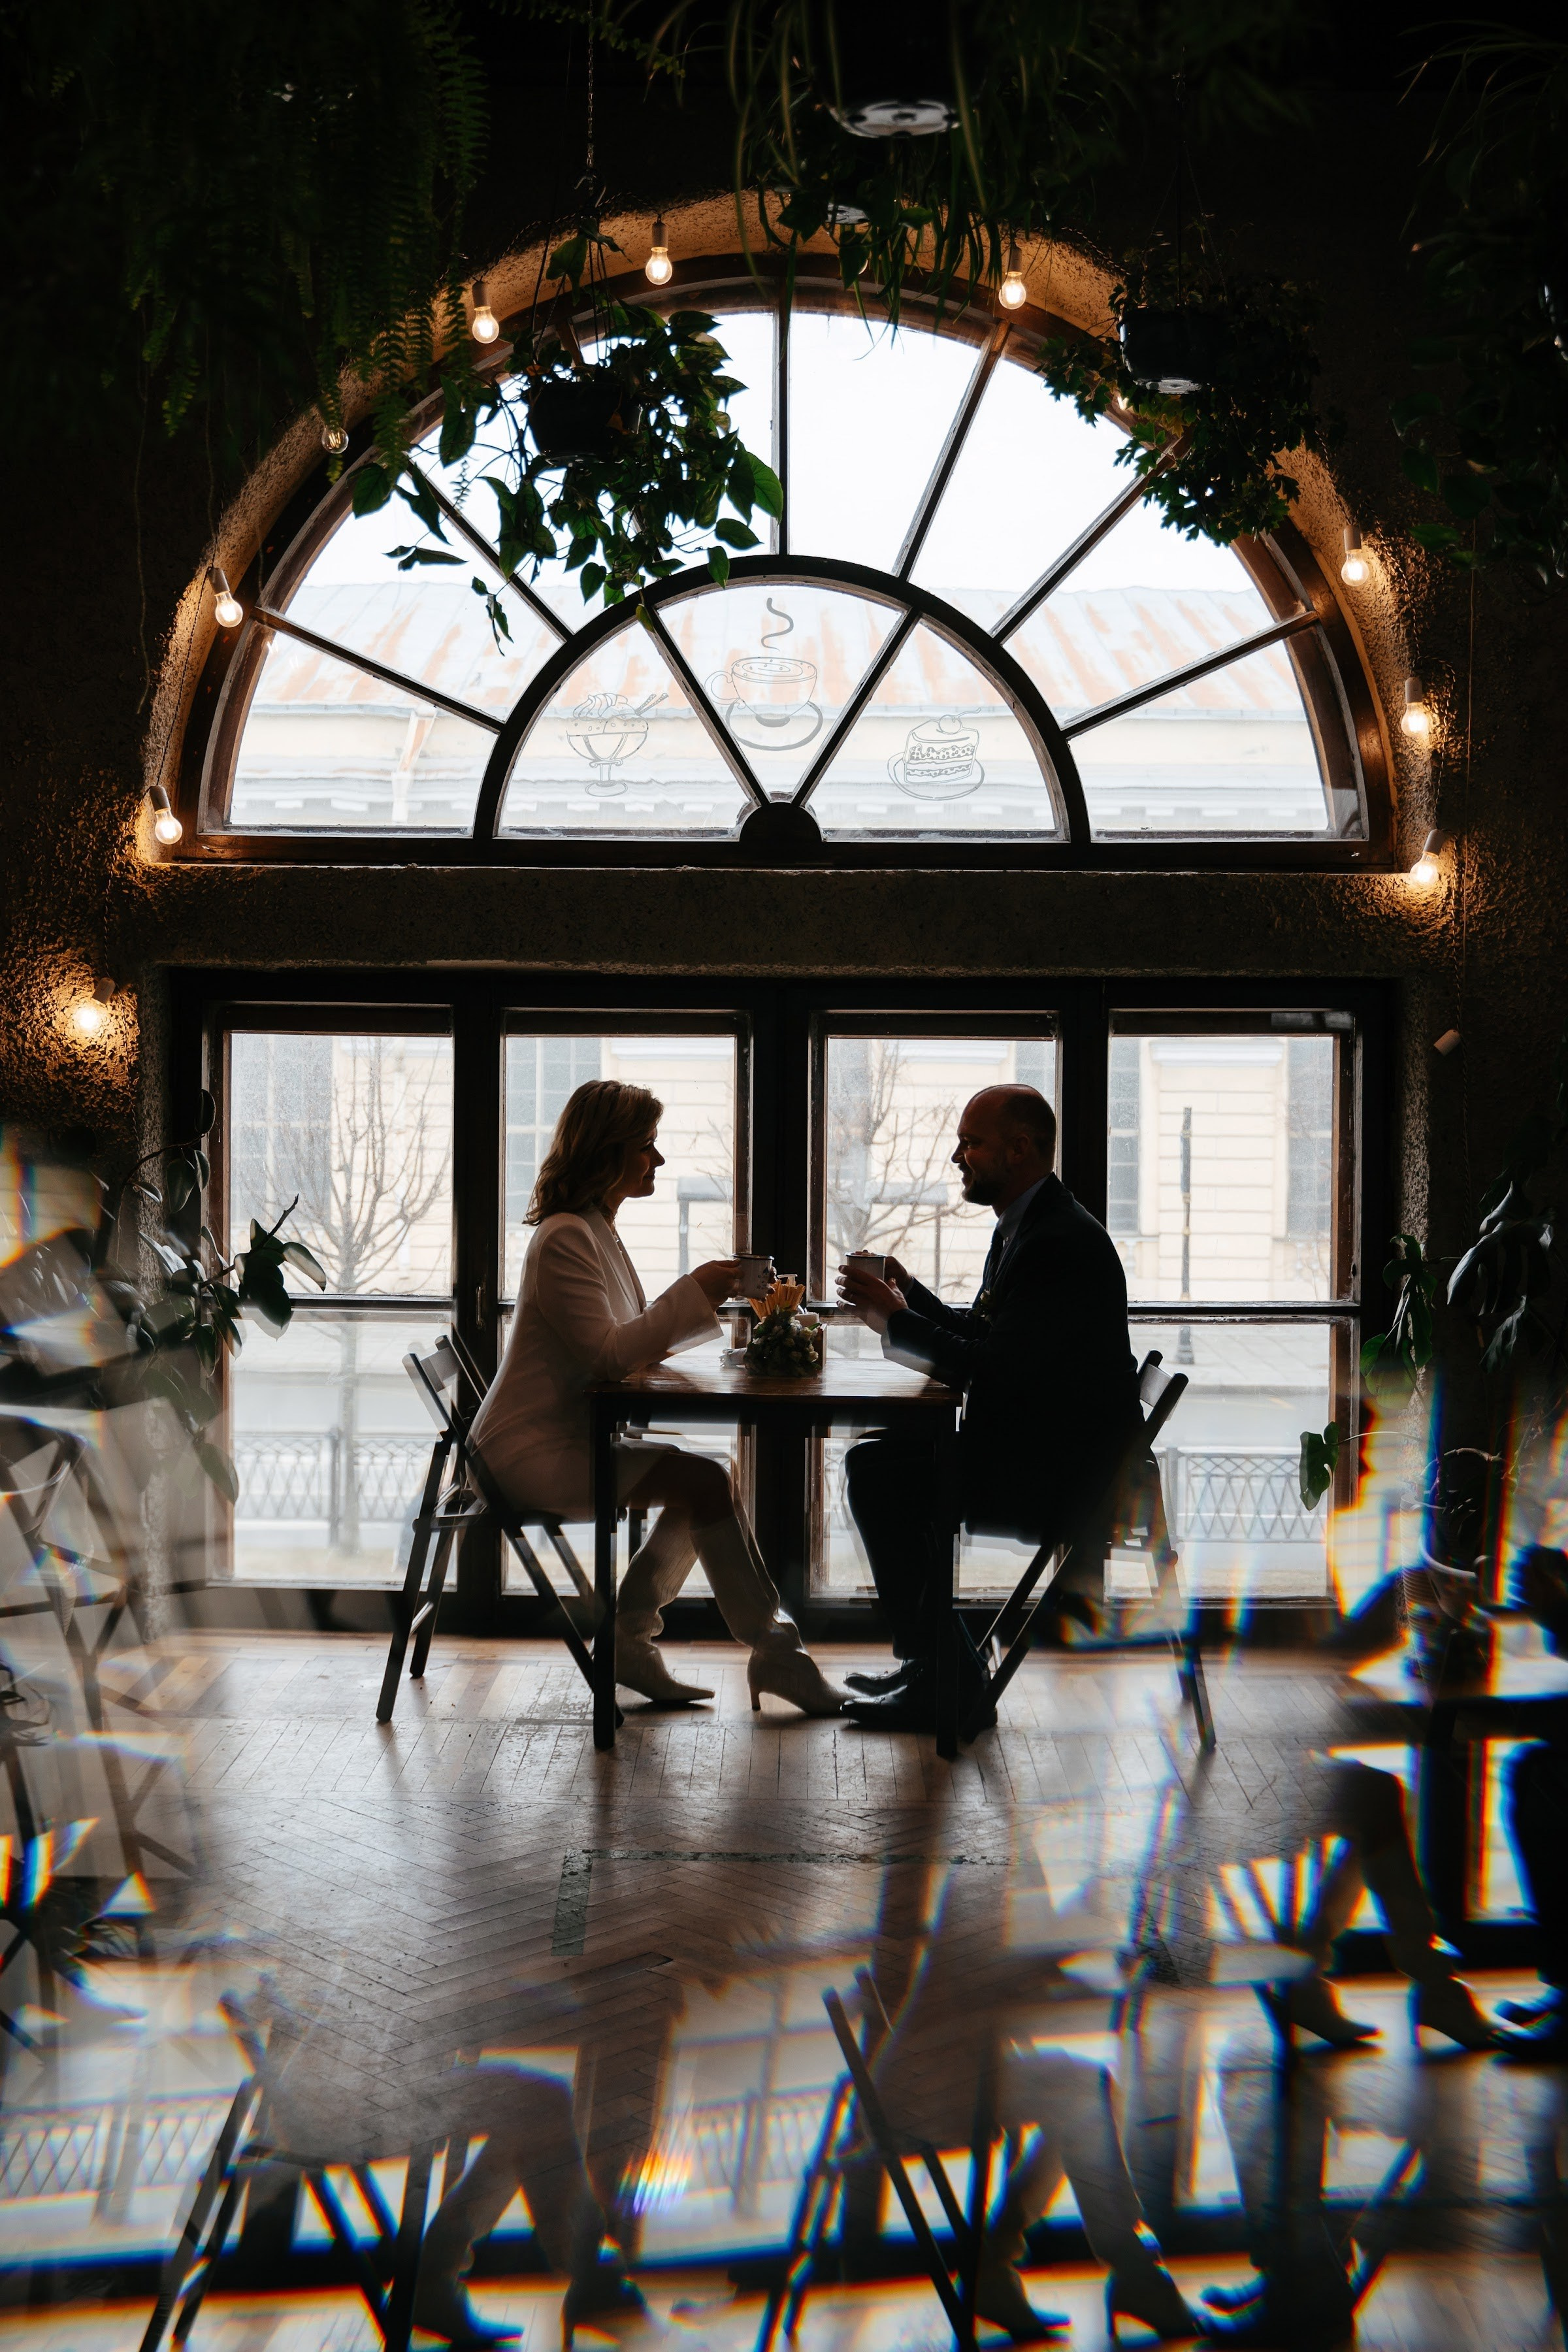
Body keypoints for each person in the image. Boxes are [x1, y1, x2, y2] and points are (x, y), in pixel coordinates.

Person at [470, 1079, 843, 1716]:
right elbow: (611, 1356)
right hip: (527, 1455)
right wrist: (695, 1288)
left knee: (712, 1474)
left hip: (565, 1437)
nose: (659, 1160)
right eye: (648, 1145)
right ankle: (763, 1652)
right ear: (610, 1150)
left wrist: (699, 1307)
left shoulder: (593, 1231)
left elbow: (623, 1348)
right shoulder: (566, 1237)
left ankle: (635, 1639)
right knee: (703, 1481)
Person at [834, 1085, 1140, 1735]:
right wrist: (908, 1295)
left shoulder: (1054, 1242)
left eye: (972, 1143)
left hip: (1062, 1481)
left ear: (1020, 1149)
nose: (957, 1157)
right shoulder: (1033, 1225)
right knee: (879, 1462)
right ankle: (940, 1665)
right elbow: (987, 1338)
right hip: (1050, 1454)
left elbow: (990, 1370)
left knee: (879, 1472)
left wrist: (894, 1318)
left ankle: (943, 1673)